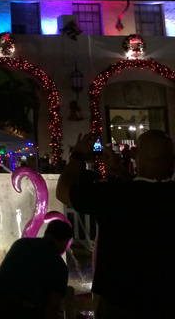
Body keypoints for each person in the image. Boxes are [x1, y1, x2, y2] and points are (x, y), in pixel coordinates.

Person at [56, 130, 175, 319]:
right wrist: (120, 171)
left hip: (119, 303)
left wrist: (78, 156)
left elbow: (63, 191)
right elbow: (147, 190)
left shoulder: (114, 196)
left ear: (138, 156)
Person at [0, 220, 73, 319]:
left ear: (46, 233)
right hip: (23, 311)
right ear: (65, 242)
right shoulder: (58, 265)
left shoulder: (19, 244)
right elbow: (52, 307)